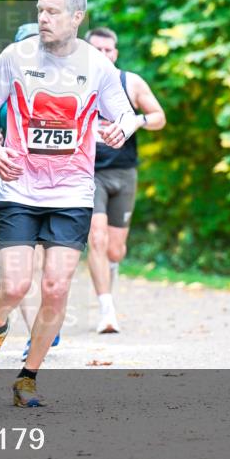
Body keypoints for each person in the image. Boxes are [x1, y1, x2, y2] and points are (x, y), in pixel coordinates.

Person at [0, 0, 138, 407]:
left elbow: (125, 113)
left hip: (72, 191)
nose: (42, 19)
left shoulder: (97, 66)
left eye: (53, 12)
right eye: (40, 10)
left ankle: (28, 377)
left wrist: (123, 126)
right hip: (19, 185)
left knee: (56, 287)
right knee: (14, 286)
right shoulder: (16, 57)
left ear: (77, 18)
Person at [85, 27, 166, 333]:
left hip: (123, 171)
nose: (104, 55)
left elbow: (159, 116)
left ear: (115, 53)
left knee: (116, 249)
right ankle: (106, 309)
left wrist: (136, 120)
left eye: (109, 50)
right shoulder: (77, 85)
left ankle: (109, 275)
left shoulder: (130, 83)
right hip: (89, 173)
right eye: (97, 50)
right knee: (96, 238)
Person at [0, 23, 60, 362]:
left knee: (53, 270)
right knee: (23, 275)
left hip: (60, 189)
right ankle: (34, 334)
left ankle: (50, 311)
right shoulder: (5, 92)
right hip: (20, 188)